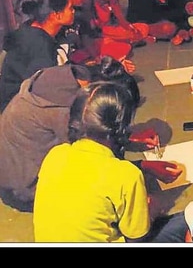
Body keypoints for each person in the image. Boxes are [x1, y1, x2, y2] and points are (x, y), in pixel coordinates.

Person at [0, 57, 179, 212]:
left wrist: (128, 136)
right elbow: (98, 167)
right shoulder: (67, 113)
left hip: (11, 173)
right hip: (28, 189)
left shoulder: (67, 76)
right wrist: (143, 167)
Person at [33, 81, 183, 242]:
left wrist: (143, 165)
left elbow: (94, 177)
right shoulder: (126, 176)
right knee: (185, 221)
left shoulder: (56, 154)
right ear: (121, 128)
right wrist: (151, 210)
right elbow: (137, 237)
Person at [0, 0, 74, 112]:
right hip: (17, 112)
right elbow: (44, 93)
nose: (73, 11)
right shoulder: (40, 46)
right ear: (56, 15)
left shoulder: (31, 27)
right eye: (70, 8)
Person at [82, 0, 150, 72]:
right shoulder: (87, 4)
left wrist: (130, 29)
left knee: (143, 28)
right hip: (100, 38)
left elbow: (121, 20)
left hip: (113, 31)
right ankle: (123, 48)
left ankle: (131, 40)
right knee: (124, 46)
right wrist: (124, 35)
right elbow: (90, 35)